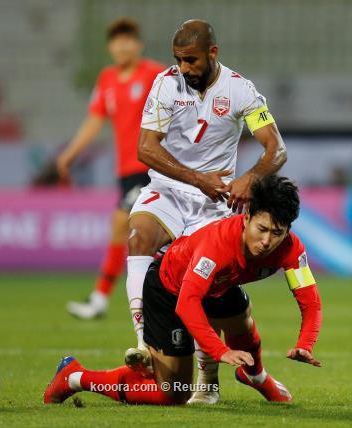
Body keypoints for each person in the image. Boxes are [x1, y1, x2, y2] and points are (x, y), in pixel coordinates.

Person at [43, 175, 322, 406]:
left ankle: (256, 376)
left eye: (277, 232)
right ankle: (75, 377)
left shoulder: (290, 248)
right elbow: (187, 302)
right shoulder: (218, 246)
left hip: (217, 287)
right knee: (174, 391)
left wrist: (305, 344)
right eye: (262, 229)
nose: (266, 241)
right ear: (246, 217)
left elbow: (310, 302)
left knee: (240, 315)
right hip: (169, 291)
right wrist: (219, 350)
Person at [123, 18, 287, 396]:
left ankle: (208, 377)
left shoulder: (241, 90)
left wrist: (249, 179)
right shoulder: (166, 84)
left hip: (215, 203)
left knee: (204, 280)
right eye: (179, 60)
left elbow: (276, 148)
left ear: (213, 53)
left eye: (192, 60)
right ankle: (143, 344)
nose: (185, 68)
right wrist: (196, 178)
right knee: (138, 237)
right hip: (169, 189)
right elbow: (145, 149)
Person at [52, 18, 165, 319]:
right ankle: (113, 297)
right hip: (126, 170)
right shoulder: (107, 80)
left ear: (138, 44)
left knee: (120, 223)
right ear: (110, 46)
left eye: (128, 38)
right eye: (117, 40)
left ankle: (102, 298)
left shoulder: (154, 74)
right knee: (137, 233)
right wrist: (70, 154)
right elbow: (94, 120)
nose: (123, 45)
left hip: (152, 166)